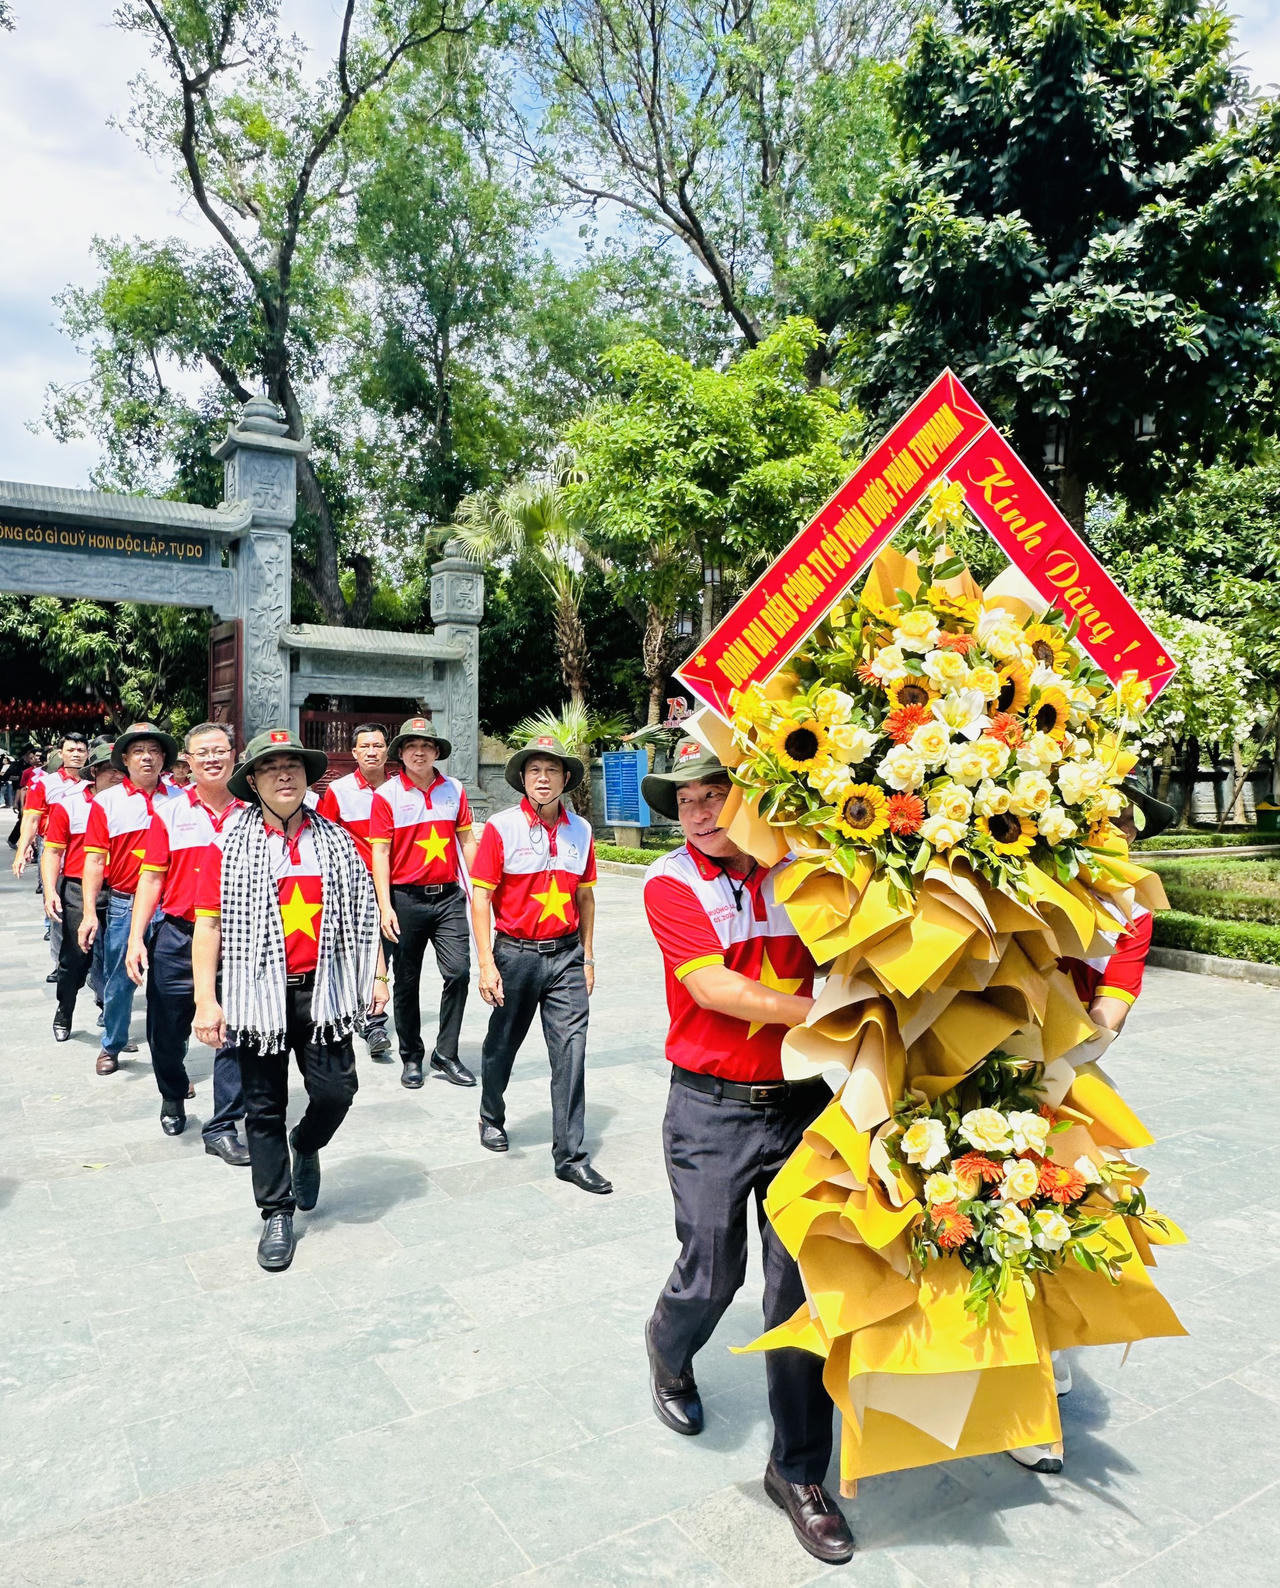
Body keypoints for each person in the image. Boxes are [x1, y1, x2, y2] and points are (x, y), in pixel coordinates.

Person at [639, 739, 853, 1567]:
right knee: (713, 1270)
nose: (698, 808)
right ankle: (667, 1345)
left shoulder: (804, 872)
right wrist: (828, 1010)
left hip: (805, 1108)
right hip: (710, 1109)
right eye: (685, 798)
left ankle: (798, 1472)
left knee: (801, 1290)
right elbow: (715, 990)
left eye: (714, 791)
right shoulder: (670, 882)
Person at [1007, 777, 1177, 1475]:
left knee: (1061, 1213)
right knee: (994, 1215)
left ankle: (1041, 1371)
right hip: (983, 1063)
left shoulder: (1135, 904)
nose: (1111, 834)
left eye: (1122, 825)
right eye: (1099, 818)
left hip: (1065, 1078)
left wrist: (1065, 1063)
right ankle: (1018, 1369)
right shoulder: (1031, 870)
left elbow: (1113, 1004)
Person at [192, 729, 387, 1272]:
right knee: (262, 1108)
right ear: (252, 781)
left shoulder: (337, 842)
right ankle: (276, 1211)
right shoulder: (229, 845)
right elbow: (207, 927)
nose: (285, 775)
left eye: (294, 766)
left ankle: (307, 1142)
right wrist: (207, 1001)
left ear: (307, 776)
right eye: (271, 768)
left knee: (337, 1091)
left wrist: (376, 975)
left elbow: (364, 914)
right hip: (257, 999)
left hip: (323, 996)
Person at [471, 734, 610, 1194]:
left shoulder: (581, 831)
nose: (543, 779)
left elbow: (586, 896)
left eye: (551, 771)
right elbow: (482, 897)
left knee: (572, 1053)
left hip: (567, 956)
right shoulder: (501, 827)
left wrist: (588, 957)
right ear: (523, 780)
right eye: (534, 771)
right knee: (501, 1047)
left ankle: (569, 1155)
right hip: (515, 955)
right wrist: (487, 964)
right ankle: (491, 1113)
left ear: (566, 778)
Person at [124, 723, 249, 1162]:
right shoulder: (171, 813)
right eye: (203, 753)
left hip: (238, 937)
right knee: (166, 1029)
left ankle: (223, 1124)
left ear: (235, 755)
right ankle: (173, 1092)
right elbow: (152, 876)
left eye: (220, 751)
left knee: (234, 1030)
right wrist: (136, 937)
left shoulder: (254, 811)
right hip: (178, 935)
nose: (213, 759)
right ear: (189, 763)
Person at [369, 717, 477, 1089]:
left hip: (448, 897)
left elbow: (467, 842)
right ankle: (411, 1056)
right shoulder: (386, 795)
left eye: (427, 746)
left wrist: (482, 889)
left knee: (459, 973)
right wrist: (385, 905)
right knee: (406, 982)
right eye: (412, 745)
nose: (420, 752)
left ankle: (446, 1053)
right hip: (405, 899)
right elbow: (379, 854)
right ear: (400, 752)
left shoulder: (455, 790)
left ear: (436, 753)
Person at [78, 723, 179, 1075]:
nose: (147, 757)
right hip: (125, 903)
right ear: (124, 759)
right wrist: (89, 912)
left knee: (169, 985)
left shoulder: (181, 799)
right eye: (138, 751)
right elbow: (93, 859)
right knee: (120, 980)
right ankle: (112, 1044)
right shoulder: (106, 802)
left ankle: (170, 1063)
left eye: (154, 750)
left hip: (171, 906)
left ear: (164, 757)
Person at [317, 722, 396, 1061]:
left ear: (387, 751)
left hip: (396, 884)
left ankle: (371, 1013)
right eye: (365, 746)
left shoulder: (399, 790)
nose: (372, 752)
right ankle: (373, 1021)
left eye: (378, 745)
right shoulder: (339, 791)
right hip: (354, 884)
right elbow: (324, 836)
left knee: (388, 950)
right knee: (364, 950)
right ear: (354, 753)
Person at [41, 742, 120, 1041]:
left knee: (117, 957)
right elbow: (52, 852)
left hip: (119, 888)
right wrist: (50, 891)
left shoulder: (132, 804)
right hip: (76, 886)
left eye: (120, 771)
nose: (116, 777)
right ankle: (65, 1008)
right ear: (94, 772)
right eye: (110, 771)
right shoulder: (69, 805)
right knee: (76, 956)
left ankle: (113, 1019)